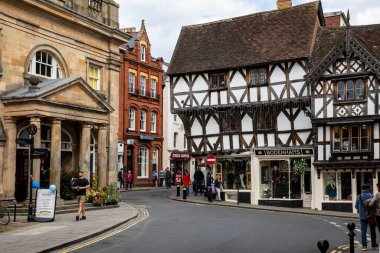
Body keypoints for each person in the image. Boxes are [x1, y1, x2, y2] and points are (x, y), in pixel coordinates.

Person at [355, 184, 377, 250]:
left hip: (362, 216)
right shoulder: (372, 196)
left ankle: (364, 246)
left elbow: (356, 206)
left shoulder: (359, 197)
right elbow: (375, 206)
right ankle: (373, 244)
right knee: (372, 229)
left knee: (363, 231)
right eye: (370, 188)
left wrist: (361, 208)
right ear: (368, 189)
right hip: (371, 216)